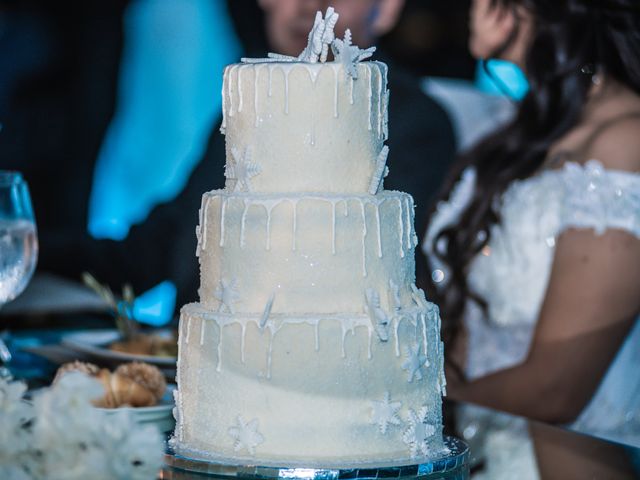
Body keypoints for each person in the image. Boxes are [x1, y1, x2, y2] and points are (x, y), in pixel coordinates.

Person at [39, 0, 455, 309]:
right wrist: (25, 250)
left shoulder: (412, 123)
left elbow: (358, 283)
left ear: (385, 9)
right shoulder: (245, 108)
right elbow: (150, 252)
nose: (307, 6)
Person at [423, 0, 640, 447]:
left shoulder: (626, 142)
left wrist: (397, 405)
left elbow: (556, 390)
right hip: (476, 454)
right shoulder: (517, 138)